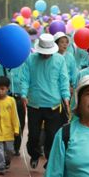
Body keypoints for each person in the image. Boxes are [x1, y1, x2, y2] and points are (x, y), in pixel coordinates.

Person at [21, 33, 70, 169]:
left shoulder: (60, 60)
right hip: (34, 104)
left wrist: (66, 97)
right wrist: (23, 94)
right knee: (33, 136)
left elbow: (63, 79)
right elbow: (25, 79)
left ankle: (50, 158)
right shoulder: (30, 60)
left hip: (54, 104)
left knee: (52, 136)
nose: (46, 55)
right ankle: (34, 155)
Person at [0, 63, 25, 156]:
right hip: (4, 100)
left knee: (19, 123)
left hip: (19, 99)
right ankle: (5, 146)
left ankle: (16, 147)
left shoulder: (23, 66)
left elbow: (26, 81)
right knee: (4, 123)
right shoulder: (0, 68)